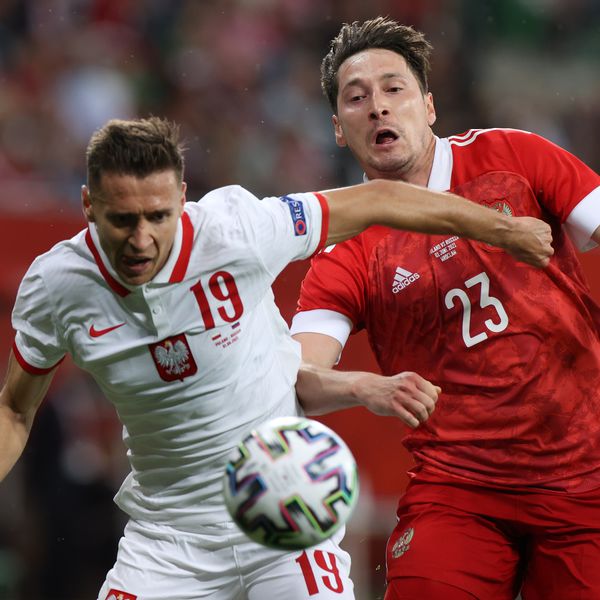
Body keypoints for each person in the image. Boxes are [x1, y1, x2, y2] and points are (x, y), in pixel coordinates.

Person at [0, 117, 552, 600]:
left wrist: (502, 229)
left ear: (183, 198)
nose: (141, 239)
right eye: (123, 220)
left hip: (286, 507)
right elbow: (14, 411)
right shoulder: (57, 287)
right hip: (168, 540)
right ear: (88, 204)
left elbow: (380, 199)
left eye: (158, 216)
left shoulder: (236, 230)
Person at [290, 17, 600, 600]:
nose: (378, 107)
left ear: (429, 106)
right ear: (338, 129)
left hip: (587, 474)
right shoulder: (345, 254)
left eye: (394, 88)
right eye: (357, 98)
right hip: (459, 491)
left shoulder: (514, 157)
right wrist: (363, 387)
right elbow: (298, 379)